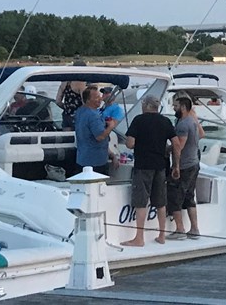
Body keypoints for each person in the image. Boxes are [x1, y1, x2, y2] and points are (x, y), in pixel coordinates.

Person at [121, 96, 175, 247]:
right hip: (161, 165)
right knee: (160, 202)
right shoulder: (165, 121)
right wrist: (175, 164)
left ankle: (139, 237)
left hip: (143, 165)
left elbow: (130, 144)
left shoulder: (139, 120)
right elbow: (176, 143)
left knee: (141, 202)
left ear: (146, 105)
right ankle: (162, 235)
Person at [168, 96, 203, 239]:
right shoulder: (193, 121)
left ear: (182, 107)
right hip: (194, 162)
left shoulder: (183, 124)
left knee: (175, 196)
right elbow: (201, 135)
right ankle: (194, 229)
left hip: (185, 165)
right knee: (189, 196)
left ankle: (180, 229)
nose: (173, 108)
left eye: (175, 105)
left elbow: (179, 147)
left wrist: (174, 165)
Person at [75, 87, 115, 175]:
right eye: (97, 97)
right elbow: (100, 137)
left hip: (82, 159)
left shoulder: (80, 111)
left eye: (100, 96)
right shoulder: (93, 116)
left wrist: (111, 154)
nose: (100, 99)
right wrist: (111, 126)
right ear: (88, 100)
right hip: (96, 161)